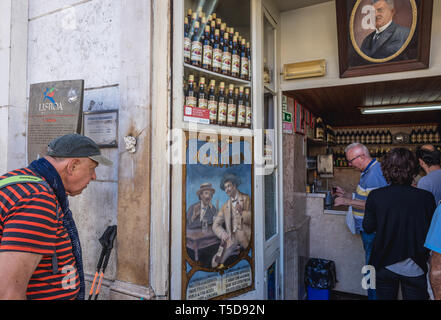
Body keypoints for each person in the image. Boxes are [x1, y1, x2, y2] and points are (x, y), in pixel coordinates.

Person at [0, 133, 113, 300]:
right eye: (92, 169)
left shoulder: (16, 180)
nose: (94, 176)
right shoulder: (38, 200)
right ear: (72, 166)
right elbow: (9, 293)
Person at [363, 148, 435, 300]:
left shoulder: (376, 196)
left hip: (384, 264)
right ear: (414, 169)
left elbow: (368, 227)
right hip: (416, 265)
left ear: (386, 169)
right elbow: (431, 232)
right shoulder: (426, 198)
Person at [333, 142, 388, 300]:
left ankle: (373, 298)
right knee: (370, 268)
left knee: (372, 270)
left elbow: (376, 205)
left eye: (351, 161)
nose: (350, 164)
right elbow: (366, 197)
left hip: (374, 232)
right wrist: (347, 194)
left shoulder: (375, 173)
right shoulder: (368, 171)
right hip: (369, 230)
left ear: (362, 156)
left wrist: (346, 202)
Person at [211, 173, 251, 268]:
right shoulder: (225, 206)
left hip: (246, 238)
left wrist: (242, 213)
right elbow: (215, 225)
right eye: (225, 188)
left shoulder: (246, 199)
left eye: (228, 186)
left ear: (235, 185)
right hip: (232, 239)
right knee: (215, 262)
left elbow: (253, 219)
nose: (227, 190)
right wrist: (222, 233)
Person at [186, 183, 218, 267]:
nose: (209, 196)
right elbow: (188, 226)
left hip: (208, 241)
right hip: (193, 243)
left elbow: (215, 223)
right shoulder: (193, 207)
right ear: (200, 195)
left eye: (210, 194)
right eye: (206, 193)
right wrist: (194, 216)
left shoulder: (213, 209)